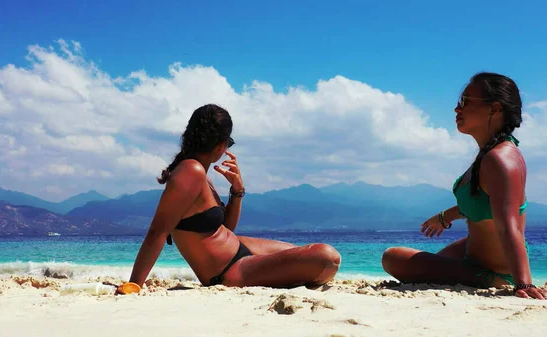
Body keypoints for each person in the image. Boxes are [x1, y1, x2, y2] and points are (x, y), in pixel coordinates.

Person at [124, 104, 341, 291]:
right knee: (326, 257)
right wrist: (134, 285)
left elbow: (226, 228)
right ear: (221, 145)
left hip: (239, 249)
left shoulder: (200, 173)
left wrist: (237, 190)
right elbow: (157, 232)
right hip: (229, 271)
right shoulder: (191, 172)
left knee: (317, 256)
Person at [381, 72, 546, 300]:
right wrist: (444, 216)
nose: (457, 109)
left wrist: (524, 283)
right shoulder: (489, 155)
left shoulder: (501, 159)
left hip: (494, 270)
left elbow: (509, 226)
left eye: (466, 102)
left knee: (392, 257)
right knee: (418, 262)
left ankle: (494, 279)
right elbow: (485, 203)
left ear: (495, 109)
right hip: (472, 252)